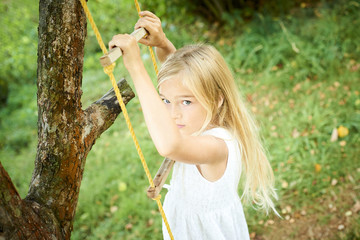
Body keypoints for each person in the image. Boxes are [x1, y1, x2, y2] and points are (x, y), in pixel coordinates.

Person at [109, 11, 278, 240]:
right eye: (166, 101)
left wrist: (137, 69)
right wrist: (164, 44)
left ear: (216, 99)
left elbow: (170, 145)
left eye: (186, 102)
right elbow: (180, 81)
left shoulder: (217, 146)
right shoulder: (205, 120)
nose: (173, 113)